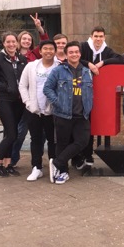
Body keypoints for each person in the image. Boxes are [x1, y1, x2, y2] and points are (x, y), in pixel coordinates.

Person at [43, 41, 94, 185]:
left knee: (82, 141)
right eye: (71, 52)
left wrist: (89, 105)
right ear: (66, 54)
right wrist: (57, 102)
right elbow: (47, 88)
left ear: (80, 53)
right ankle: (63, 172)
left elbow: (90, 91)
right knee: (62, 143)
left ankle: (57, 162)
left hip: (81, 114)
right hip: (63, 114)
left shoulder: (86, 71)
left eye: (76, 52)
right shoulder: (59, 70)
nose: (74, 54)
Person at [76, 26, 124, 167]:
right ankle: (81, 156)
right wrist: (90, 64)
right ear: (91, 36)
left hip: (98, 95)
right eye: (96, 36)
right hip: (80, 91)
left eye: (101, 36)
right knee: (82, 126)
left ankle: (88, 155)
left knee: (92, 125)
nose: (98, 39)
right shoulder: (83, 46)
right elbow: (75, 58)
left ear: (104, 37)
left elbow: (121, 60)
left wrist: (103, 62)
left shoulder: (106, 50)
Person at [0, 31, 28, 177]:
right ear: (3, 43)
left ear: (17, 44)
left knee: (11, 133)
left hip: (18, 101)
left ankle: (7, 163)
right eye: (8, 42)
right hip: (4, 100)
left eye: (13, 42)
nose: (11, 44)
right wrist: (6, 87)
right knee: (11, 134)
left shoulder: (22, 59)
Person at [18, 39, 58, 181]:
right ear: (40, 51)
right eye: (45, 49)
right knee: (35, 139)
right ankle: (37, 167)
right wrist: (28, 103)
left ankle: (54, 165)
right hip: (34, 110)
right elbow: (22, 86)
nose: (48, 51)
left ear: (55, 51)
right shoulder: (31, 66)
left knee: (53, 140)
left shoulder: (59, 67)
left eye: (51, 49)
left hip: (52, 111)